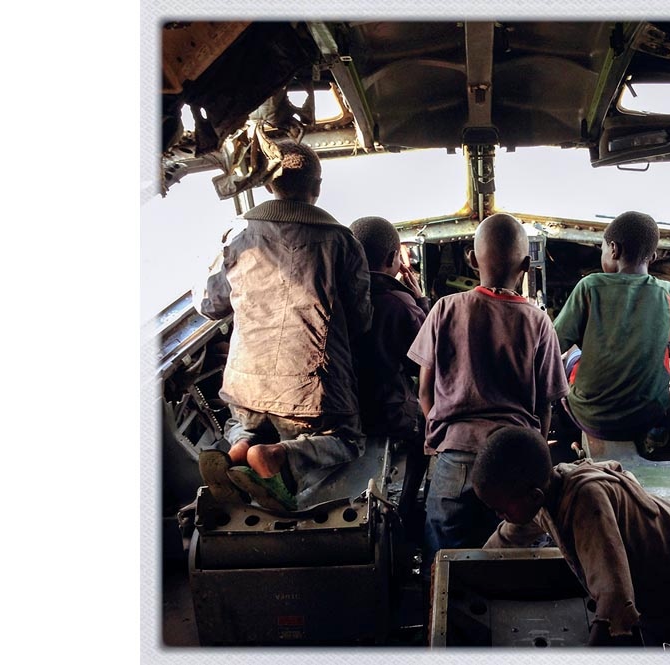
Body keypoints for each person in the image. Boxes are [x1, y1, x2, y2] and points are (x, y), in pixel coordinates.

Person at [193, 139, 372, 512]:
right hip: (310, 395)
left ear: (267, 185)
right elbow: (361, 321)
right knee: (348, 440)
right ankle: (278, 456)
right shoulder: (343, 241)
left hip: (245, 385)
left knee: (246, 422)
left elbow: (210, 306)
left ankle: (240, 448)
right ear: (317, 187)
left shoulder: (237, 236)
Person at [473, 426, 670, 647]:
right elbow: (507, 537)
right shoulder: (545, 495)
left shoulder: (586, 506)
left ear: (534, 496)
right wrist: (472, 569)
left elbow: (615, 603)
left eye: (501, 509)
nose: (499, 515)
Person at [406, 213, 569, 569]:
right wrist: (534, 455)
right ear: (526, 266)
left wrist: (439, 438)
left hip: (455, 457)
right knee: (510, 564)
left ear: (471, 259)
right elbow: (545, 406)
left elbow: (424, 391)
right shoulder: (539, 322)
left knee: (444, 562)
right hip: (514, 464)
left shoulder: (445, 309)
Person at [552, 210, 670, 449]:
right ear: (653, 256)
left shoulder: (590, 286)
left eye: (603, 249)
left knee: (572, 353)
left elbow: (553, 346)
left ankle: (569, 432)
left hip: (591, 417)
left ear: (613, 249)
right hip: (646, 418)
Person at [349, 216, 430, 516]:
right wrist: (420, 300)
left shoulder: (334, 294)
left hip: (342, 406)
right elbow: (425, 359)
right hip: (384, 412)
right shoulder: (400, 304)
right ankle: (408, 502)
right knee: (425, 426)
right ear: (392, 258)